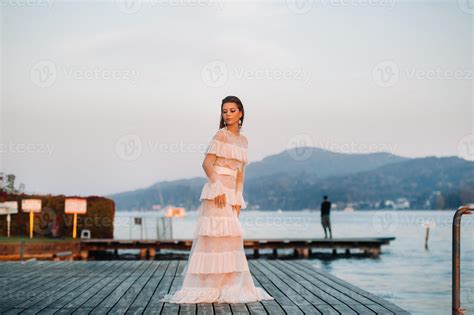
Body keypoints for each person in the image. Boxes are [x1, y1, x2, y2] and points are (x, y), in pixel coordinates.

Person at [160, 96, 274, 304]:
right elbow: (206, 164)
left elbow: (241, 173)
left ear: (241, 113)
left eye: (232, 110)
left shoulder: (244, 141)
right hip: (217, 193)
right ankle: (209, 287)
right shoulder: (220, 135)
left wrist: (239, 197)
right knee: (214, 240)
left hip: (231, 194)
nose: (228, 114)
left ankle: (229, 286)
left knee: (231, 240)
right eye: (224, 111)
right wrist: (218, 188)